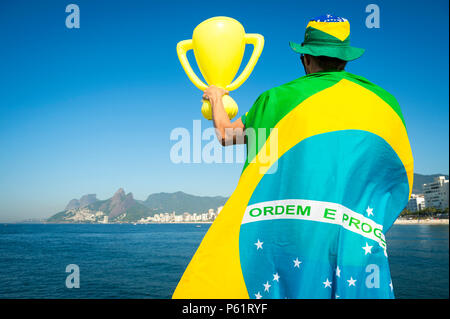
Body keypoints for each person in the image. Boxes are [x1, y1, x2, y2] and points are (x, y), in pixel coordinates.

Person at [173, 14, 413, 299]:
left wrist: (215, 98)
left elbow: (226, 135)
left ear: (306, 59)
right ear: (345, 59)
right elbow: (396, 180)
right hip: (355, 250)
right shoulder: (386, 107)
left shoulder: (277, 100)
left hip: (285, 244)